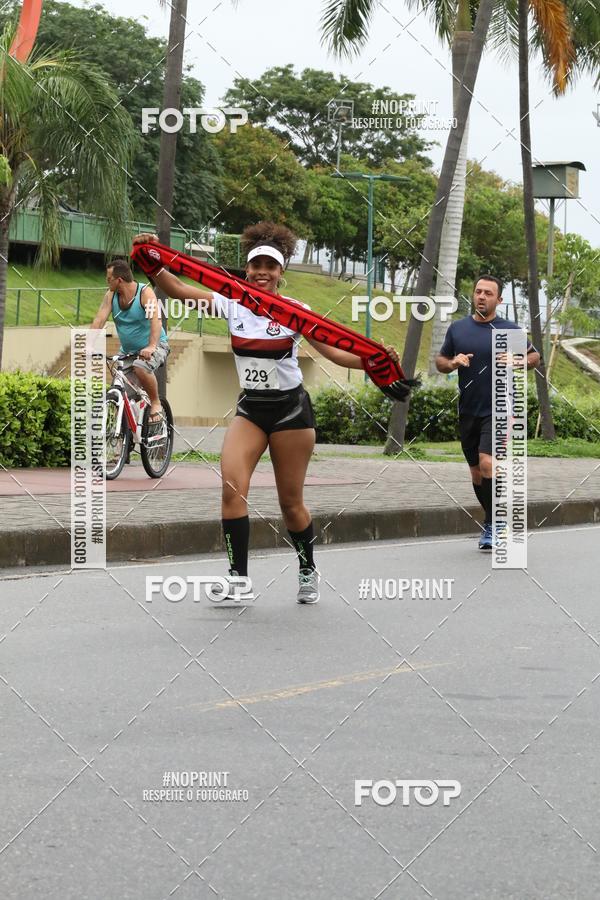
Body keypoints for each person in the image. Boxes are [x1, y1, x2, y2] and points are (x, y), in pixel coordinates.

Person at [132, 222, 399, 603]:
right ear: (246, 269)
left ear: (281, 272)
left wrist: (373, 360)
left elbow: (335, 351)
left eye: (269, 267)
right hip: (251, 411)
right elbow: (176, 288)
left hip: (291, 413)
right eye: (255, 265)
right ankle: (238, 579)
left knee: (290, 504)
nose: (261, 272)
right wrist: (151, 258)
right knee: (230, 489)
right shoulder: (230, 300)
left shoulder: (296, 311)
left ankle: (308, 569)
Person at [435, 275, 539, 551]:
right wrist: (453, 362)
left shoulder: (509, 330)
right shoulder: (458, 329)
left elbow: (534, 357)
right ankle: (495, 519)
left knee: (487, 463)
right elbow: (440, 361)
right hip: (468, 409)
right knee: (476, 472)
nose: (482, 296)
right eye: (478, 291)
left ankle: (493, 525)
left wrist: (518, 360)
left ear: (498, 300)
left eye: (488, 293)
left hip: (499, 408)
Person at [91, 259, 169, 426]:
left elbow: (156, 320)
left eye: (109, 279)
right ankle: (125, 434)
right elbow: (99, 320)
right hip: (127, 351)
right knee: (117, 389)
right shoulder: (111, 295)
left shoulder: (145, 293)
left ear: (119, 280)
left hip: (156, 345)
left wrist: (151, 346)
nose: (107, 282)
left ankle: (155, 403)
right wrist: (88, 344)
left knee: (140, 367)